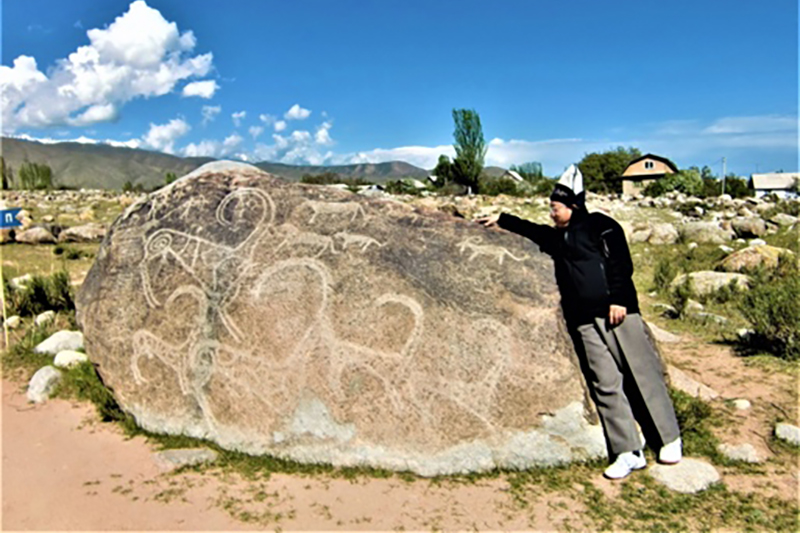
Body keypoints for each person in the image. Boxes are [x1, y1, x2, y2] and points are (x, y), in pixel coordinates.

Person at [477, 165, 681, 479]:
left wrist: (619, 298)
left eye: (554, 207)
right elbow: (534, 231)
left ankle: (669, 438)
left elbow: (619, 262)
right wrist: (503, 220)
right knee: (606, 384)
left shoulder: (601, 225)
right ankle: (628, 451)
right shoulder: (560, 238)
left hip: (618, 315)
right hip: (585, 322)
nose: (550, 213)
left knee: (643, 374)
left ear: (572, 204)